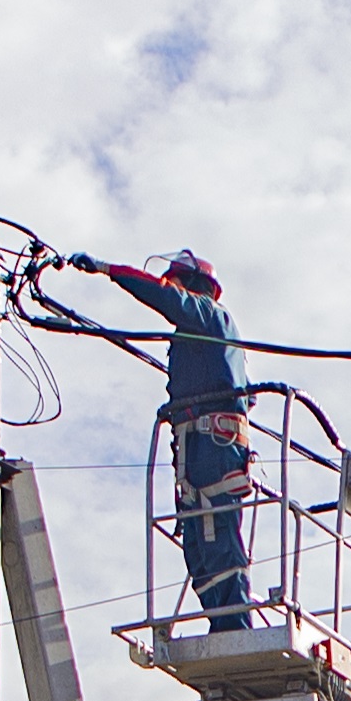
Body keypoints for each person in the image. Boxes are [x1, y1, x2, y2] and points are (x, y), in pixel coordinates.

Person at [86, 249, 253, 628]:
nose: (173, 286)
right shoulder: (200, 340)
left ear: (195, 286)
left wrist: (109, 268)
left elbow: (163, 294)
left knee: (216, 532)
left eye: (178, 280)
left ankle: (235, 625)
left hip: (215, 443)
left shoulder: (211, 317)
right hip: (196, 445)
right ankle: (220, 622)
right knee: (196, 540)